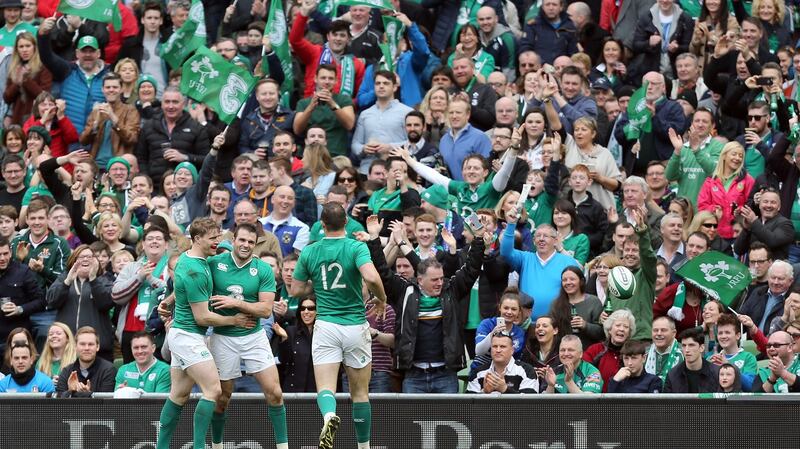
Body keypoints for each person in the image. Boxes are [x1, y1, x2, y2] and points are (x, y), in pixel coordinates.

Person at [289, 203, 387, 449]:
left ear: (322, 225)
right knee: (360, 393)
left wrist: (319, 287)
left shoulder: (310, 251)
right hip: (355, 325)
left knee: (325, 388)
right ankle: (363, 446)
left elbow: (296, 290)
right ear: (346, 222)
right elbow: (373, 277)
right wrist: (382, 299)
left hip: (326, 325)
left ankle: (329, 416)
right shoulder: (356, 246)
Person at [154, 218, 255, 449]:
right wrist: (234, 319)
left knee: (178, 396)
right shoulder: (195, 271)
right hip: (188, 336)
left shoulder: (190, 258)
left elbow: (181, 292)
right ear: (197, 238)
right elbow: (203, 317)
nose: (217, 242)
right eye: (212, 238)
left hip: (184, 335)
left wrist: (250, 259)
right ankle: (200, 446)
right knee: (213, 390)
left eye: (218, 237)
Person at [207, 223, 288, 449]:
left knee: (275, 393)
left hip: (254, 336)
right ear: (233, 240)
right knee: (222, 399)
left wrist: (236, 303)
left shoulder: (262, 269)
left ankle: (283, 446)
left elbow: (265, 310)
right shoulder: (214, 264)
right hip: (222, 337)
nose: (246, 245)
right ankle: (217, 445)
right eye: (242, 240)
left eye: (251, 242)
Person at [111, 226, 170, 363]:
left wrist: (151, 280)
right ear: (143, 244)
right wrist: (140, 277)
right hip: (131, 330)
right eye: (150, 239)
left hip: (160, 330)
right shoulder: (131, 267)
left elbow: (174, 292)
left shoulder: (173, 265)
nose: (154, 242)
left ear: (166, 244)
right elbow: (116, 295)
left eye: (158, 239)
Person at [46, 244, 114, 361]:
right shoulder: (63, 279)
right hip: (67, 348)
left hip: (97, 348)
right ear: (73, 261)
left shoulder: (104, 280)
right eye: (81, 257)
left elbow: (105, 303)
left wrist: (93, 279)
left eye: (90, 257)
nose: (86, 259)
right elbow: (51, 301)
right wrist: (67, 281)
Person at [351, 71, 414, 174]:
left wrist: (390, 147)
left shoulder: (407, 112)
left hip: (396, 170)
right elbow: (355, 144)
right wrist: (363, 148)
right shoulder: (365, 114)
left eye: (386, 83)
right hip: (367, 170)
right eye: (377, 83)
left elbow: (414, 143)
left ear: (394, 87)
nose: (381, 86)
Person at [78, 72, 141, 170]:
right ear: (102, 90)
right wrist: (95, 124)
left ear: (121, 89)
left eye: (115, 87)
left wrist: (113, 118)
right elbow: (83, 141)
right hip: (96, 166)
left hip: (118, 166)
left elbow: (132, 139)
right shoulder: (96, 111)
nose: (111, 90)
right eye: (108, 87)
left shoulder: (130, 110)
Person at [293, 65, 356, 158]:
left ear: (336, 81)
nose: (327, 82)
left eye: (331, 78)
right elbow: (297, 129)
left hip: (336, 154)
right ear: (315, 79)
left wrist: (332, 104)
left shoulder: (344, 100)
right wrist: (311, 107)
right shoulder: (304, 103)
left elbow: (350, 124)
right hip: (310, 155)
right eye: (323, 78)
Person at [437, 95, 492, 181]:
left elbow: (487, 170)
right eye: (451, 113)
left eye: (458, 112)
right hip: (450, 191)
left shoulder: (480, 138)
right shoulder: (444, 140)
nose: (454, 116)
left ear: (468, 114)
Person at [467, 331, 540, 394]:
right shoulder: (478, 373)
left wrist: (505, 389)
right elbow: (468, 407)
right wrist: (484, 393)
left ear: (512, 350)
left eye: (502, 347)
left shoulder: (527, 371)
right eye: (495, 346)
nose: (498, 350)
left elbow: (529, 405)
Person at [549, 266, 604, 348]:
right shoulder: (556, 303)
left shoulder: (593, 301)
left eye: (572, 279)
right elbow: (552, 328)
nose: (568, 282)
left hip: (588, 352)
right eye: (564, 280)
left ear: (581, 281)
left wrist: (585, 325)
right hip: (563, 352)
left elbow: (602, 333)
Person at [733, 188, 794, 261]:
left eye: (773, 202)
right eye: (765, 202)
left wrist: (754, 221)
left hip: (774, 271)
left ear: (779, 207)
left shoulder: (785, 224)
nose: (769, 205)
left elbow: (772, 241)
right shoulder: (755, 222)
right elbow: (738, 250)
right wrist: (746, 229)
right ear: (759, 205)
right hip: (752, 269)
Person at [55, 326, 116, 397]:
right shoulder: (66, 371)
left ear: (98, 347)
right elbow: (59, 404)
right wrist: (70, 392)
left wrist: (89, 395)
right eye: (82, 344)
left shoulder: (109, 370)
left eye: (90, 344)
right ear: (75, 346)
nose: (86, 348)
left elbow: (107, 403)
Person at [583, 309, 635, 391]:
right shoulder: (595, 350)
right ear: (609, 329)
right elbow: (582, 372)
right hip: (597, 400)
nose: (621, 329)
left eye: (626, 327)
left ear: (629, 333)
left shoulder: (633, 353)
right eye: (618, 325)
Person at [273, 297, 317, 393]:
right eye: (302, 308)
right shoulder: (291, 331)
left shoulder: (324, 333)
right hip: (293, 390)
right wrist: (284, 338)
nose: (306, 312)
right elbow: (284, 360)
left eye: (310, 308)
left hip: (317, 389)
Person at [739, 260, 793, 334]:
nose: (775, 282)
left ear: (790, 281)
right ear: (768, 277)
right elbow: (741, 315)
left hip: (775, 343)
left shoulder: (793, 300)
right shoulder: (758, 292)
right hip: (750, 342)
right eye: (773, 277)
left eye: (780, 279)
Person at [708, 313, 757, 391]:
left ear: (737, 335)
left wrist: (728, 365)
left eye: (727, 332)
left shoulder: (748, 357)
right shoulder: (711, 359)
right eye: (720, 333)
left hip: (738, 402)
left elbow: (750, 386)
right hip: (716, 402)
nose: (723, 336)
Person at [519, 0, 578, 64]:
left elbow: (573, 53)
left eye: (554, 5)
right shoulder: (533, 25)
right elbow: (525, 49)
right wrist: (542, 63)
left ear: (561, 7)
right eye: (547, 4)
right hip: (538, 68)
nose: (551, 8)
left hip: (562, 68)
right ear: (542, 7)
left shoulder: (569, 26)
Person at [663, 328, 721, 393]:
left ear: (701, 348)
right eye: (684, 346)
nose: (687, 350)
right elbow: (667, 402)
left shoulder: (717, 373)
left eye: (691, 345)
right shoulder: (672, 375)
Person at [645, 316, 684, 384]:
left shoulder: (684, 352)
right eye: (655, 330)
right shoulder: (644, 353)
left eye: (663, 330)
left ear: (674, 333)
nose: (659, 333)